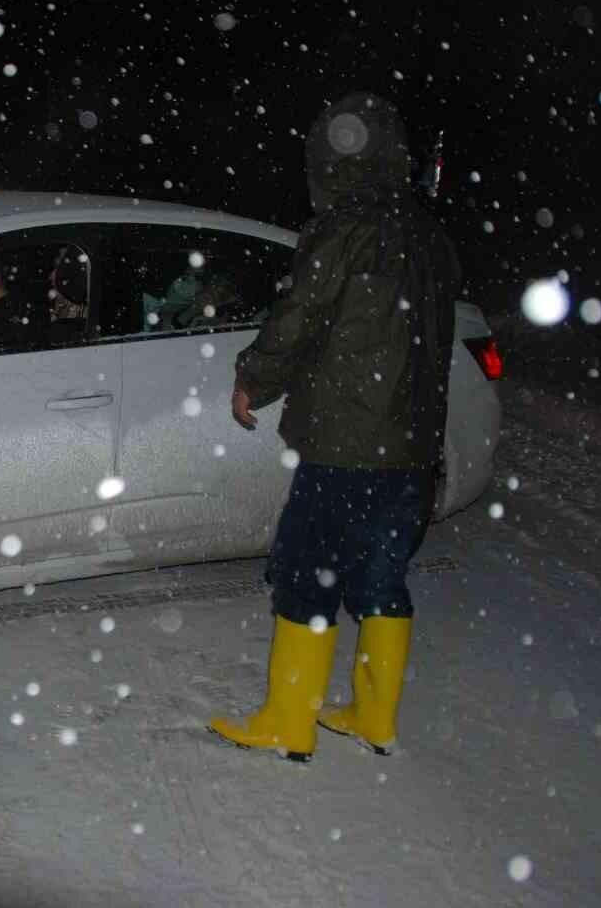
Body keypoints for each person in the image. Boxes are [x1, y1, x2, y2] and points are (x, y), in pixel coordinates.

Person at [207, 91, 463, 762]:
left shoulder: (346, 227)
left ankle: (289, 719)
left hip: (344, 440)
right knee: (382, 575)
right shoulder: (429, 232)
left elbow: (301, 315)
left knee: (307, 569)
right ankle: (375, 716)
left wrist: (254, 377)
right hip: (408, 444)